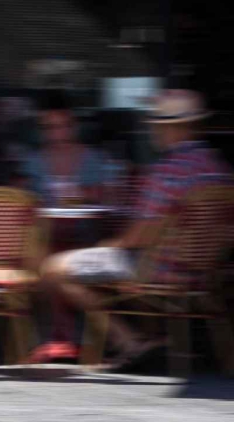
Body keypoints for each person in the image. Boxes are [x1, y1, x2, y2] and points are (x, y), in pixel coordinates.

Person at [38, 90, 232, 372]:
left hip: (156, 271)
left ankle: (131, 343)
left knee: (54, 268)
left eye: (155, 125)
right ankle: (154, 339)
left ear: (171, 129)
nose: (152, 131)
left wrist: (111, 244)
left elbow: (143, 234)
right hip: (205, 272)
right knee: (103, 267)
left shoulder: (169, 170)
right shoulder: (220, 170)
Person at [21, 92, 111, 208]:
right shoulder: (33, 160)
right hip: (42, 224)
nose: (56, 132)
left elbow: (107, 196)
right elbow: (21, 195)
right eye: (49, 127)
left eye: (62, 126)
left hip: (86, 223)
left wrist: (84, 193)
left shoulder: (94, 158)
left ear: (73, 126)